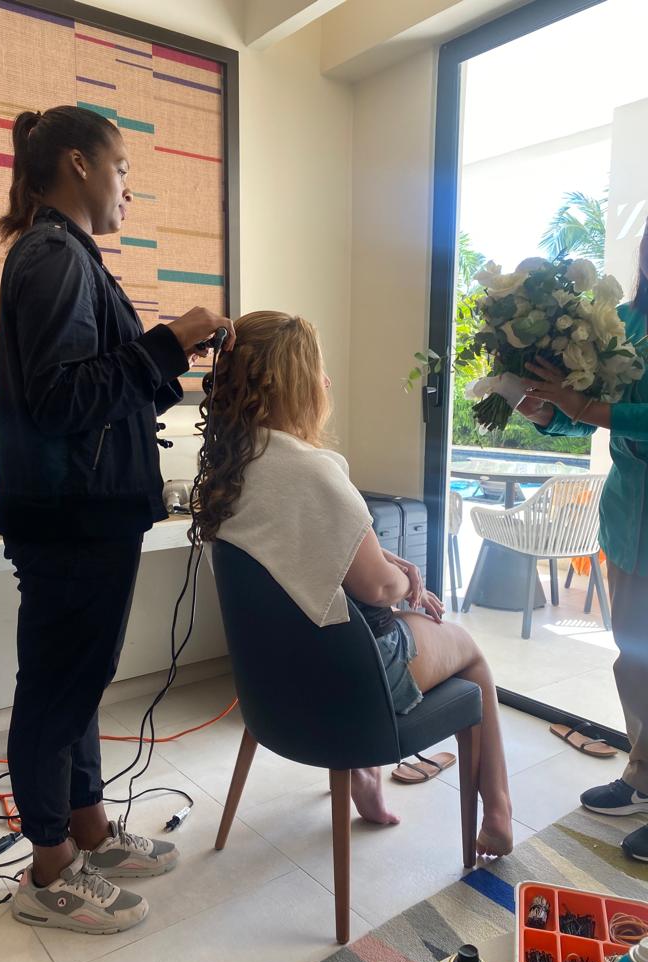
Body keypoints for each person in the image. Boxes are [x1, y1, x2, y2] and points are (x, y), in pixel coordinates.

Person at [0, 105, 235, 933]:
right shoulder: (55, 256)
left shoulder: (67, 257)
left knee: (80, 683)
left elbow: (92, 384)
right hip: (74, 522)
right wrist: (169, 344)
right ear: (79, 164)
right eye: (124, 167)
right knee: (56, 692)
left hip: (87, 516)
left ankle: (89, 831)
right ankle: (48, 870)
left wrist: (165, 354)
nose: (130, 184)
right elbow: (62, 400)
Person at [195, 311, 513, 857]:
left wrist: (382, 557)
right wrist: (402, 580)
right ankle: (501, 816)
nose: (327, 382)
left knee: (352, 622)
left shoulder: (230, 468)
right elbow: (379, 591)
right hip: (348, 684)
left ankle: (362, 777)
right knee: (467, 650)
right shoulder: (312, 471)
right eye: (317, 371)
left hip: (273, 679)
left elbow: (298, 552)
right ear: (295, 384)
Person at [515, 234, 648, 863]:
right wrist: (548, 412)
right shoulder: (623, 322)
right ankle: (642, 777)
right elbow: (582, 408)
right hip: (628, 516)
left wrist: (587, 407)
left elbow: (602, 407)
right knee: (634, 657)